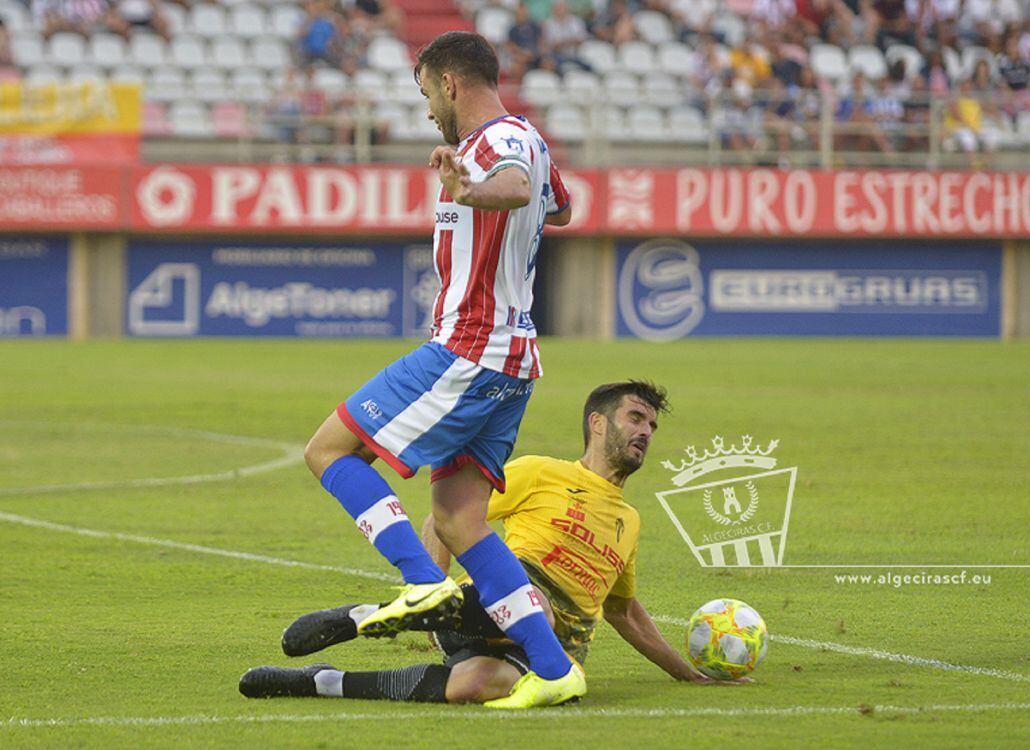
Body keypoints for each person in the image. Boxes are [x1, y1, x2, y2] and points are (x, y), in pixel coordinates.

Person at [296, 31, 578, 710]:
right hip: (512, 362)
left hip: (469, 349)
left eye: (426, 92)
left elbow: (510, 189)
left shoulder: (494, 146)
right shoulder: (533, 140)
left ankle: (421, 581)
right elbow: (560, 205)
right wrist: (495, 195)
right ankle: (554, 668)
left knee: (329, 450)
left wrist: (469, 189)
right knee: (459, 519)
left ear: (451, 84)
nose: (427, 110)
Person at [240, 382, 751, 704]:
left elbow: (624, 612)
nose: (646, 432)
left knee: (476, 687)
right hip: (496, 603)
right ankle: (366, 616)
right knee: (539, 610)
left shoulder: (630, 521)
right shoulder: (539, 472)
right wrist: (433, 589)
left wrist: (690, 676)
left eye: (653, 426)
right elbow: (443, 518)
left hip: (556, 650)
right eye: (635, 419)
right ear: (598, 423)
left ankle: (322, 682)